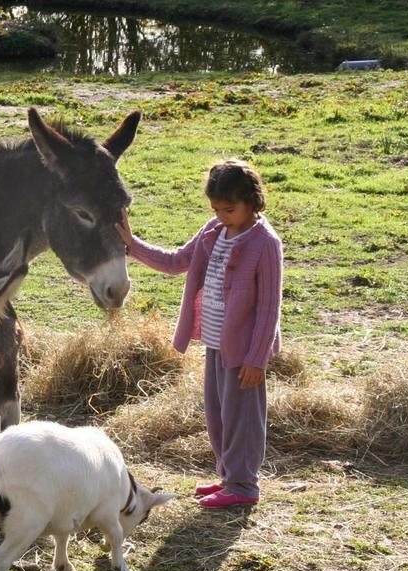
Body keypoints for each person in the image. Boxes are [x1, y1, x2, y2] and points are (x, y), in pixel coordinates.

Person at [114, 159, 283, 508]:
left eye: (230, 209)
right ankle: (228, 478)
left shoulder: (265, 243)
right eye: (217, 209)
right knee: (219, 413)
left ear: (253, 201)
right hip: (216, 342)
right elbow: (177, 261)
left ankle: (244, 486)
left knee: (243, 418)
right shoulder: (213, 231)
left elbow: (269, 307)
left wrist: (257, 357)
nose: (223, 216)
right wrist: (132, 244)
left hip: (245, 350)